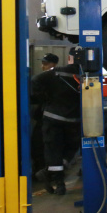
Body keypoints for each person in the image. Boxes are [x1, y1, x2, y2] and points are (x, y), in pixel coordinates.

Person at [31, 50, 81, 195]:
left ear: (69, 58)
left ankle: (58, 183)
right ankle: (49, 175)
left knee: (53, 151)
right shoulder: (86, 75)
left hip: (53, 118)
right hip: (73, 120)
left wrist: (45, 99)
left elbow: (35, 81)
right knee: (71, 149)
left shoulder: (57, 72)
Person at [30, 53, 59, 180]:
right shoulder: (43, 79)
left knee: (45, 147)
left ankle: (48, 173)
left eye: (46, 64)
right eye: (42, 63)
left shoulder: (55, 79)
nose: (43, 66)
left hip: (51, 120)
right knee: (37, 146)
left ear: (54, 65)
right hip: (43, 118)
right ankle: (41, 171)